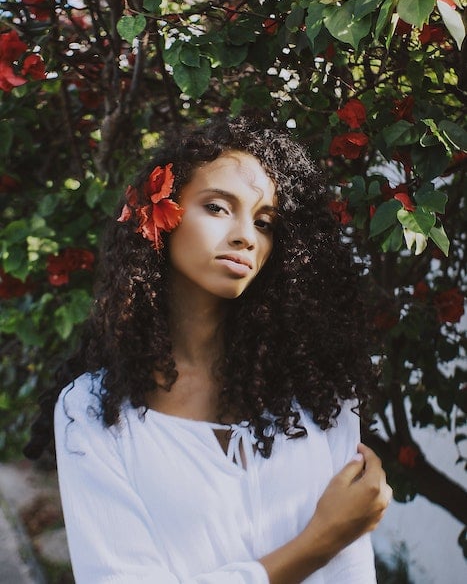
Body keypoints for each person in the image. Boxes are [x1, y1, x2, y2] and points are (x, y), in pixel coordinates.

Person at [25, 117, 392, 583]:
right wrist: (319, 541)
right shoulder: (94, 412)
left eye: (264, 222)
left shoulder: (320, 396)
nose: (245, 236)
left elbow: (352, 573)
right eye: (218, 208)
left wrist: (338, 541)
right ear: (161, 217)